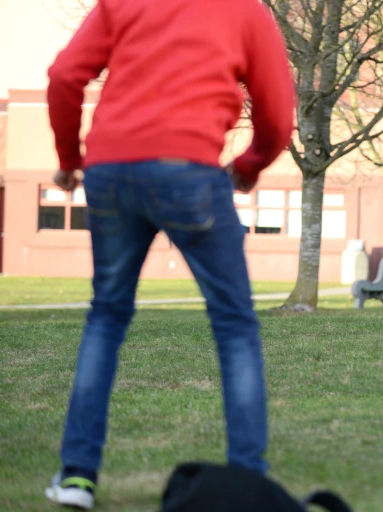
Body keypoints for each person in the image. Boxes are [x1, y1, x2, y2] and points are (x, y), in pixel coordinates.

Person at [44, 0, 295, 509]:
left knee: (107, 315)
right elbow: (277, 114)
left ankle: (76, 478)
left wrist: (71, 160)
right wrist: (248, 165)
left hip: (110, 171)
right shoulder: (246, 11)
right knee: (234, 324)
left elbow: (65, 75)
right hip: (189, 170)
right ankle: (247, 476)